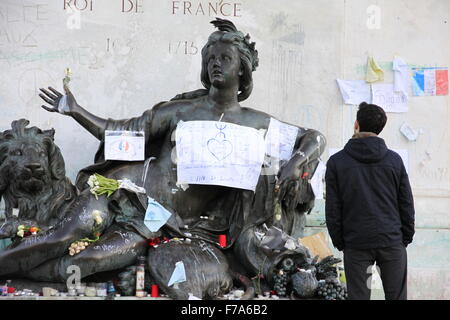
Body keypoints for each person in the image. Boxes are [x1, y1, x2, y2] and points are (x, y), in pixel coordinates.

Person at [0, 19, 325, 297]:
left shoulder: (258, 123)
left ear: (243, 67)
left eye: (225, 58)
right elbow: (122, 135)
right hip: (123, 186)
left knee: (89, 261)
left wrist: (298, 160)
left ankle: (14, 272)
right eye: (210, 58)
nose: (216, 63)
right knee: (66, 235)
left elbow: (314, 138)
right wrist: (76, 111)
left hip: (158, 217)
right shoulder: (180, 110)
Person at [325, 102, 415, 300]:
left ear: (356, 124)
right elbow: (406, 204)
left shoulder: (337, 162)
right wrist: (404, 237)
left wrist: (341, 242)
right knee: (397, 296)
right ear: (381, 128)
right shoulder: (394, 161)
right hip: (391, 241)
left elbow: (332, 209)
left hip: (356, 242)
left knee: (358, 297)